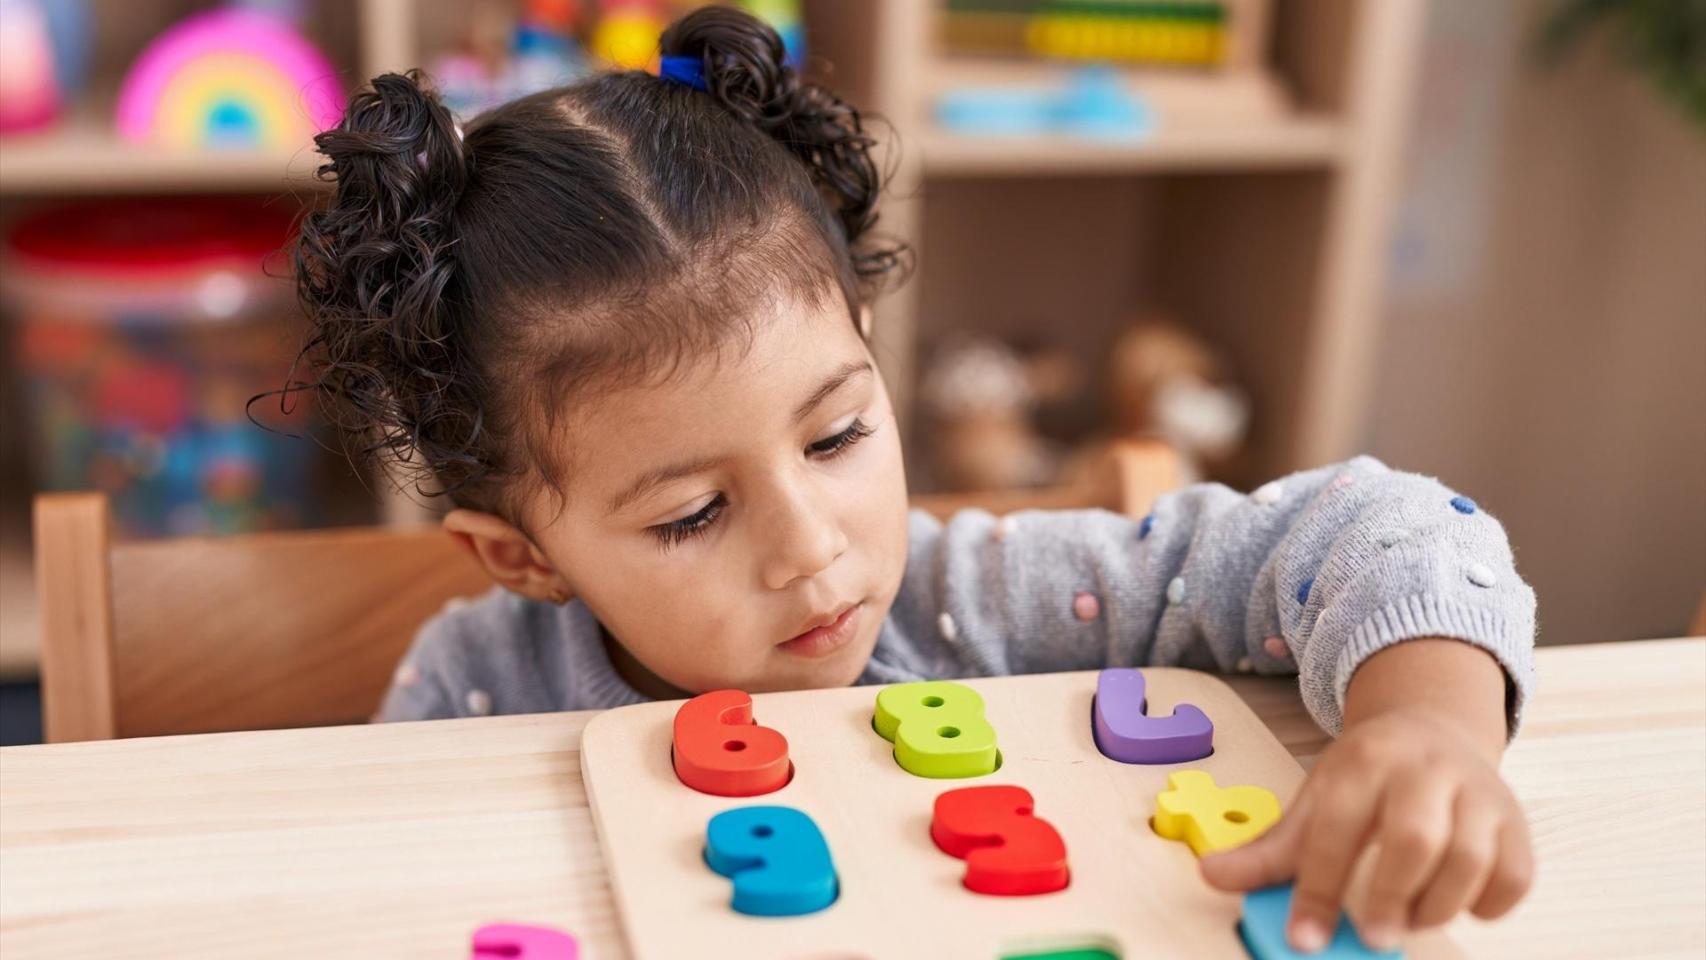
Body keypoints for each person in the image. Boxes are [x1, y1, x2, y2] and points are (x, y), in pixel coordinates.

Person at [275, 7, 1535, 953]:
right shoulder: (473, 689)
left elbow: (1386, 526)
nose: (813, 551)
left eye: (834, 437)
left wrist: (1426, 730)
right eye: (691, 515)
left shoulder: (981, 603)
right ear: (524, 555)